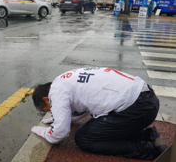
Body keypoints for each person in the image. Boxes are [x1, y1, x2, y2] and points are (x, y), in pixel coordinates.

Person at [31, 67, 167, 160]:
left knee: (84, 138)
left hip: (137, 109)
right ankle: (150, 136)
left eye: (49, 109)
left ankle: (145, 149)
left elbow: (59, 134)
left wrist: (40, 131)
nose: (52, 111)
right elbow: (81, 108)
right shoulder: (63, 80)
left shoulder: (56, 92)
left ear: (46, 99)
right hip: (147, 100)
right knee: (101, 126)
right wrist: (61, 118)